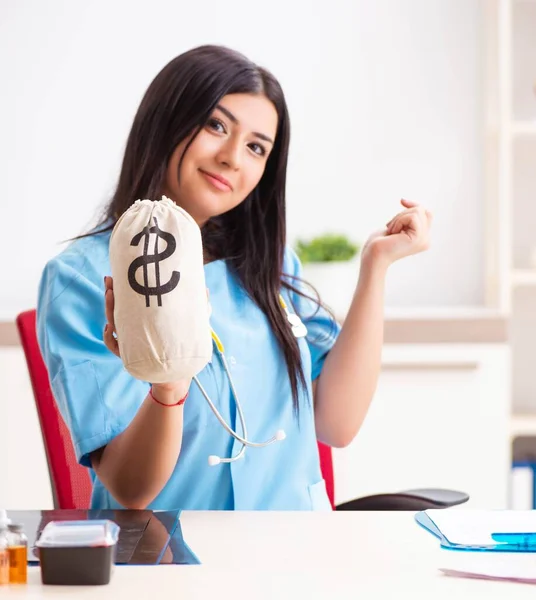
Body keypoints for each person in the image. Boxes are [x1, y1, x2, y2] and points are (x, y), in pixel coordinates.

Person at [36, 44, 432, 511]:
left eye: (256, 147)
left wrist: (375, 268)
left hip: (296, 559)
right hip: (171, 564)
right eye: (216, 125)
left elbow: (337, 424)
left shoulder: (272, 265)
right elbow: (130, 488)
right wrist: (168, 386)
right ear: (166, 122)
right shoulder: (81, 279)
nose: (232, 157)